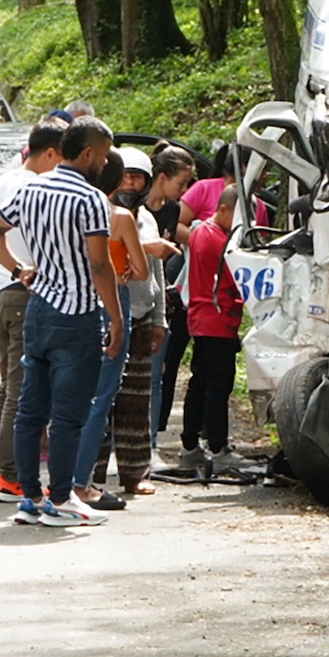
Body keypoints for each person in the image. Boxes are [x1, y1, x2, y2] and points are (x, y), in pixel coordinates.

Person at [0, 116, 123, 526]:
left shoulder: (32, 189)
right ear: (89, 152)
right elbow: (99, 263)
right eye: (105, 153)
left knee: (30, 411)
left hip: (38, 309)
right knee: (68, 416)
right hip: (76, 314)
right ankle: (61, 499)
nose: (106, 161)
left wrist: (18, 268)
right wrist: (114, 318)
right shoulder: (91, 198)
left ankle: (29, 498)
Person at [0, 119, 67, 504]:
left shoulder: (2, 182)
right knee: (22, 392)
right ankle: (11, 476)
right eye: (62, 159)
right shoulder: (35, 186)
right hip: (21, 293)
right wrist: (19, 275)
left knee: (7, 389)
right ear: (49, 153)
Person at [70, 151, 149, 510]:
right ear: (118, 182)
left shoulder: (74, 210)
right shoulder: (120, 217)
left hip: (75, 299)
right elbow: (143, 269)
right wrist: (128, 267)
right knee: (100, 398)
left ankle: (61, 478)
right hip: (112, 297)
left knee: (69, 397)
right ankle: (80, 482)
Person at [108, 147, 177, 494]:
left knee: (137, 401)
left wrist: (160, 318)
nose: (130, 183)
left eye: (137, 178)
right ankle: (89, 474)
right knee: (104, 401)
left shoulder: (147, 219)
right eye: (125, 176)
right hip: (110, 316)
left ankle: (135, 475)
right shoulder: (107, 215)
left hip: (143, 315)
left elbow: (157, 272)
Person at [179, 185, 244, 472]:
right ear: (223, 210)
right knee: (218, 386)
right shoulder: (220, 241)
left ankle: (190, 445)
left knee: (200, 384)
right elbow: (236, 278)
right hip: (218, 319)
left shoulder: (199, 232)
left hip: (202, 317)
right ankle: (218, 448)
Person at [142, 144, 196, 456]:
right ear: (161, 177)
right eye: (181, 183)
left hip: (159, 296)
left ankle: (150, 444)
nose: (185, 190)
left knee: (156, 376)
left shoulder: (173, 210)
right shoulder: (132, 204)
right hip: (132, 293)